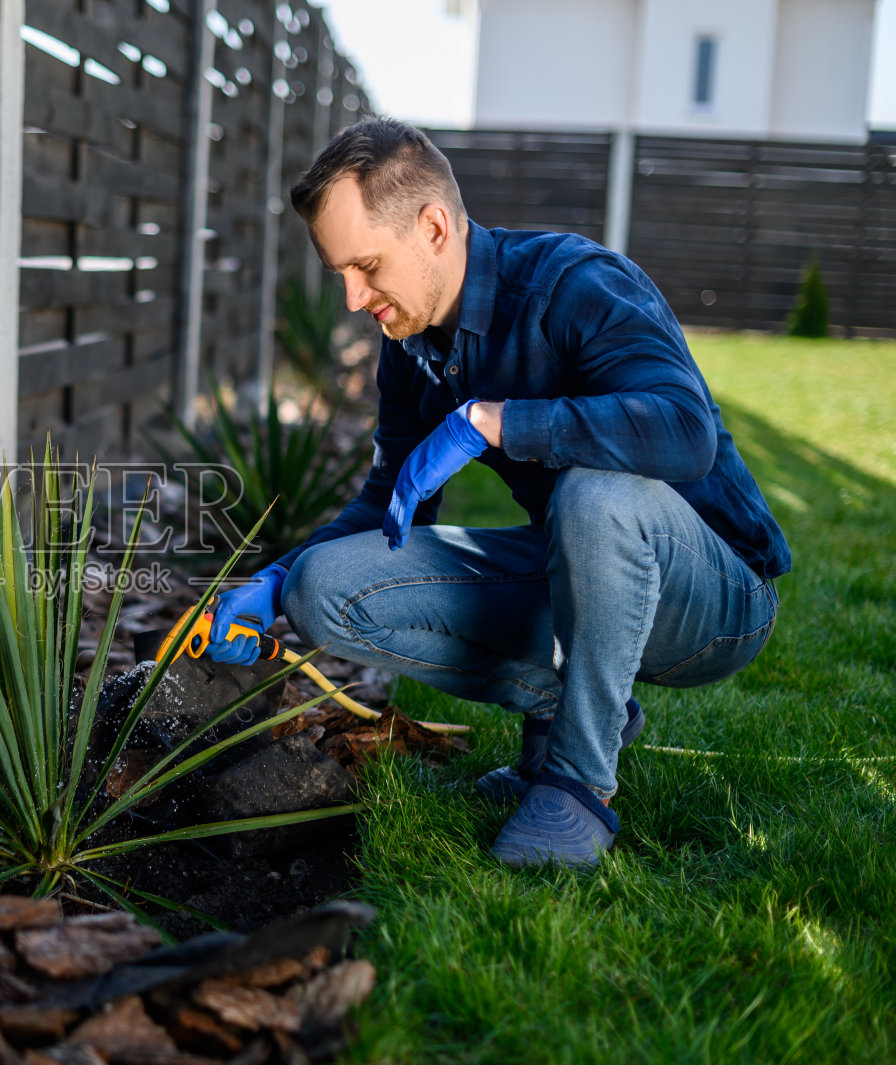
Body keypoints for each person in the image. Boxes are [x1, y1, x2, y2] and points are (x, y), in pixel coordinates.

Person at [204, 118, 789, 869]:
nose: (353, 297)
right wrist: (277, 575)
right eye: (340, 273)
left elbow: (683, 430)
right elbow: (389, 506)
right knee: (326, 589)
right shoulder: (408, 349)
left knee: (594, 494)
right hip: (575, 565)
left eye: (367, 266)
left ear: (434, 227)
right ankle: (571, 702)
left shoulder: (574, 285)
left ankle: (577, 783)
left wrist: (494, 421)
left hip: (716, 589)